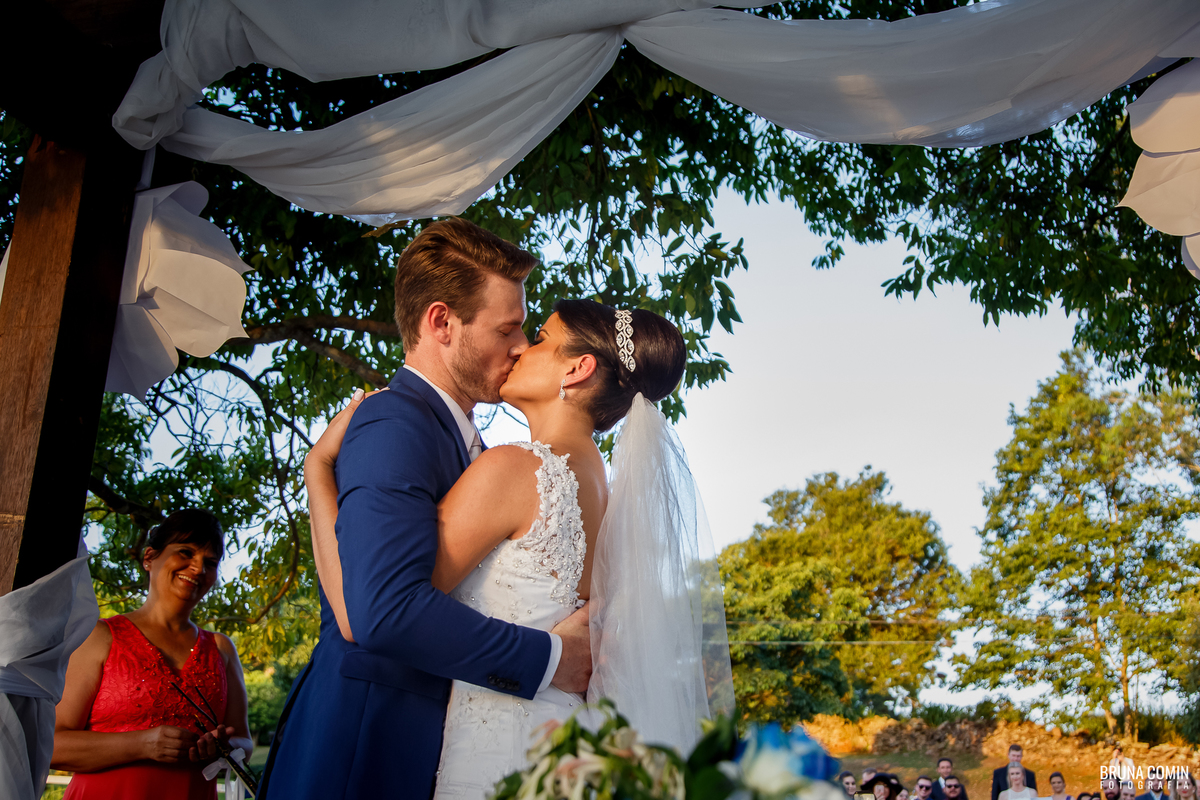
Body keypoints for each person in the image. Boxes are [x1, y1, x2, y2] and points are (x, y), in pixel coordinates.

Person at [305, 303, 724, 790]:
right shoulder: (606, 494)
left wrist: (317, 472)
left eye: (541, 337)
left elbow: (363, 607)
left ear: (578, 368)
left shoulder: (517, 469)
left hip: (498, 759)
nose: (522, 347)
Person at [258, 219, 595, 799]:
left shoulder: (476, 448)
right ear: (441, 322)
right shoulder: (395, 421)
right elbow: (381, 609)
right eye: (507, 328)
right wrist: (550, 660)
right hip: (364, 748)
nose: (520, 345)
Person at [51, 510, 253, 800]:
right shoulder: (100, 637)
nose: (198, 568)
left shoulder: (221, 648)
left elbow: (244, 742)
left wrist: (222, 747)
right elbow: (52, 744)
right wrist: (142, 744)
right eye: (185, 552)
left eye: (210, 563)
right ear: (149, 557)